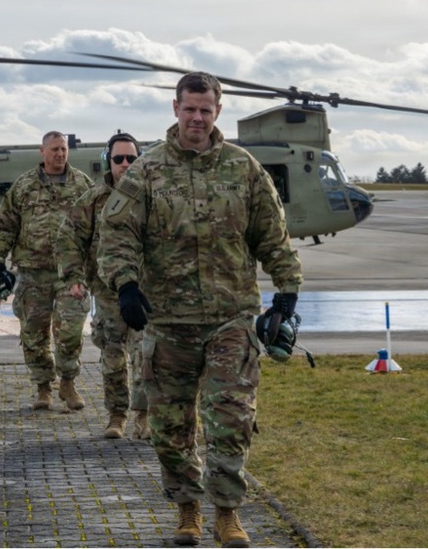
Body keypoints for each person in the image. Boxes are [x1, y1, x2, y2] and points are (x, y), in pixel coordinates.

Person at [98, 72, 303, 548]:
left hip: (231, 317)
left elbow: (273, 236)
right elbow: (117, 236)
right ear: (175, 109)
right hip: (167, 322)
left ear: (218, 112)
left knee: (231, 418)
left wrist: (287, 292)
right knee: (171, 427)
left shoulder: (244, 168)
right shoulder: (147, 171)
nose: (197, 118)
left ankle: (227, 513)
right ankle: (188, 510)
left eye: (205, 110)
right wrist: (126, 284)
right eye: (189, 109)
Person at [0, 130, 93, 411]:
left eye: (64, 149)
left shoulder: (82, 184)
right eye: (55, 149)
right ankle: (43, 387)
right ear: (42, 152)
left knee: (70, 330)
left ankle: (68, 382)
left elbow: (96, 227)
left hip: (70, 274)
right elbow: (4, 225)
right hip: (32, 273)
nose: (60, 153)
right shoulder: (24, 186)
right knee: (34, 334)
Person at [58, 131, 149, 440]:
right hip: (109, 294)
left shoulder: (153, 197)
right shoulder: (94, 201)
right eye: (118, 159)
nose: (125, 164)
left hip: (147, 293)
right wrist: (74, 277)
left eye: (131, 158)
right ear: (107, 162)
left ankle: (144, 416)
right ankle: (117, 415)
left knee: (146, 357)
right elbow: (69, 238)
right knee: (112, 357)